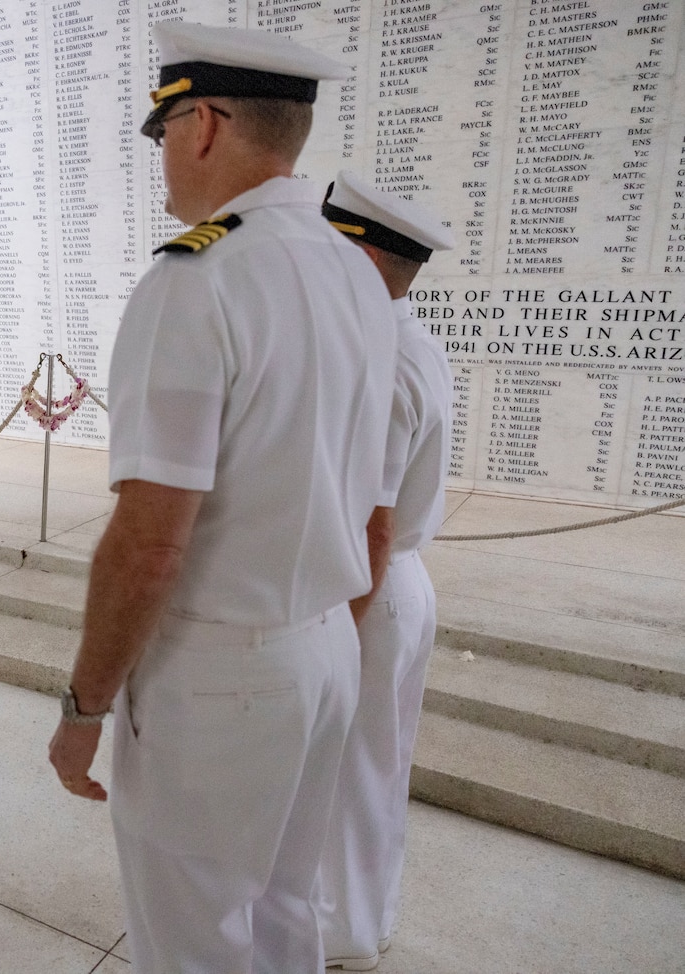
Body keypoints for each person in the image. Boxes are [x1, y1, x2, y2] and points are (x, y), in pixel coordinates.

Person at [47, 22, 396, 973]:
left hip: (221, 671)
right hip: (325, 648)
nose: (162, 163)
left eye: (163, 135)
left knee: (194, 941)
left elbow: (152, 543)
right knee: (286, 914)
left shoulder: (195, 279)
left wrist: (84, 709)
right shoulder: (358, 277)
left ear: (203, 123)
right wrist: (326, 643)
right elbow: (372, 504)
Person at [315, 171, 456, 971]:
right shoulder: (417, 341)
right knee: (379, 763)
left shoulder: (381, 362)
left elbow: (372, 519)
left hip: (373, 586)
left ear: (363, 257)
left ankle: (346, 934)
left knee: (352, 768)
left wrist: (341, 627)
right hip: (405, 582)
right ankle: (368, 919)